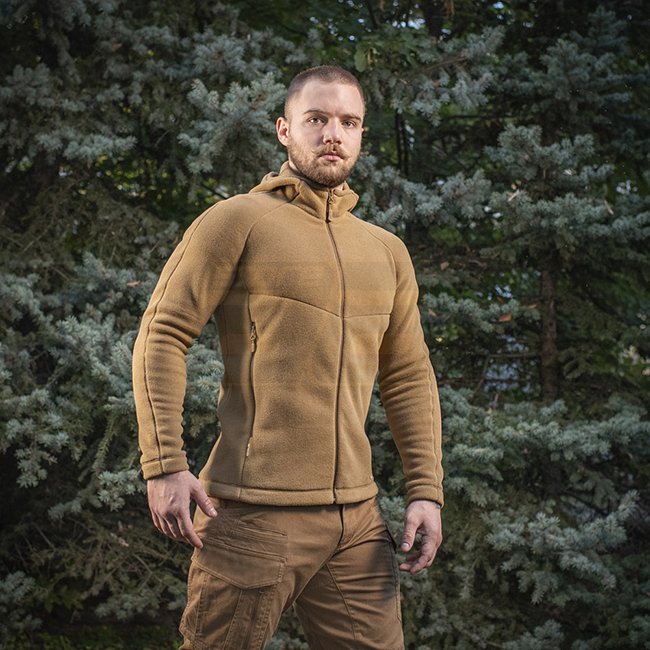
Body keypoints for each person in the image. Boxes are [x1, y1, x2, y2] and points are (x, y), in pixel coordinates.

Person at [132, 65, 444, 650]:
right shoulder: (237, 221)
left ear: (362, 133)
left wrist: (426, 489)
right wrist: (164, 464)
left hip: (358, 522)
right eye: (316, 119)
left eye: (348, 122)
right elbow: (163, 334)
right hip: (252, 513)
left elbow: (408, 376)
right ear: (284, 129)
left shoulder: (386, 251)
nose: (333, 134)